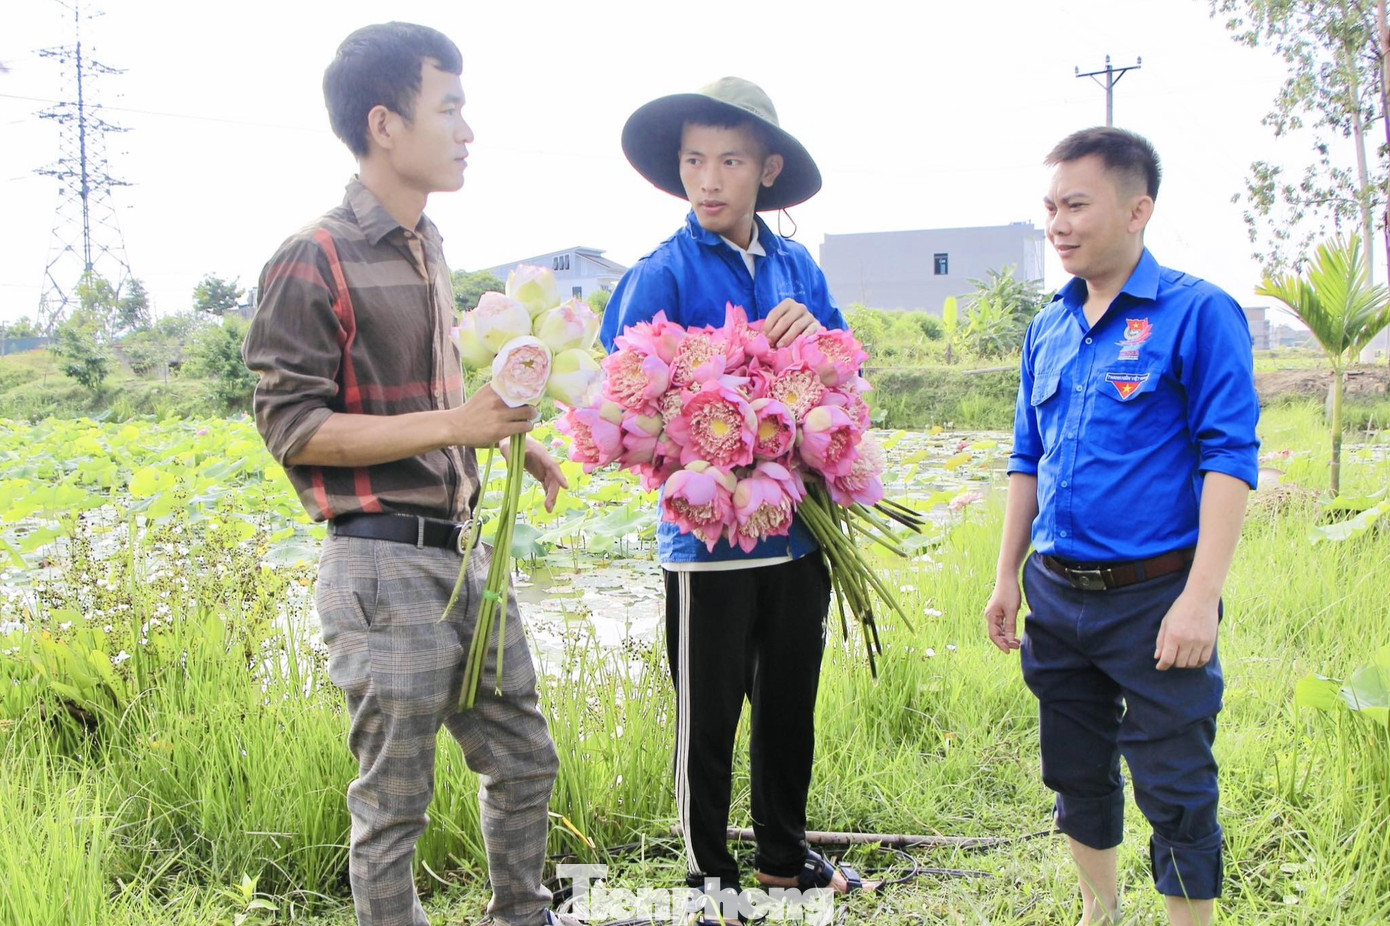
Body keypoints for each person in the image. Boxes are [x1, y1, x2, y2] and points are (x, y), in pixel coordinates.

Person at [242, 22, 574, 926]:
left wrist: (495, 439)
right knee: (395, 803)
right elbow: (292, 426)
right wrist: (453, 425)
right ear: (385, 123)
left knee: (524, 757)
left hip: (466, 555)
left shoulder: (426, 243)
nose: (467, 130)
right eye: (451, 107)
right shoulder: (312, 255)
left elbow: (425, 391)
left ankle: (523, 916)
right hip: (381, 566)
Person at [600, 77, 875, 925]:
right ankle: (709, 879)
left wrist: (813, 341)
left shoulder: (798, 268)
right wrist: (711, 380)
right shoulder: (661, 273)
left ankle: (785, 859)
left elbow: (843, 380)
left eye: (729, 160)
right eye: (692, 161)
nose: (708, 179)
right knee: (708, 716)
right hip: (707, 551)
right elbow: (622, 405)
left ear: (768, 168)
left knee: (791, 702)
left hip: (798, 536)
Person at [984, 126, 1260, 926]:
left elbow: (1230, 460)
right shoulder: (1050, 327)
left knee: (1174, 781)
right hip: (1058, 596)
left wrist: (1200, 597)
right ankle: (1098, 911)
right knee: (1076, 772)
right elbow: (1026, 457)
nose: (1058, 224)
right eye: (1050, 206)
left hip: (1155, 598)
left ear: (1138, 209)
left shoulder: (1198, 314)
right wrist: (1007, 576)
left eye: (1077, 204)